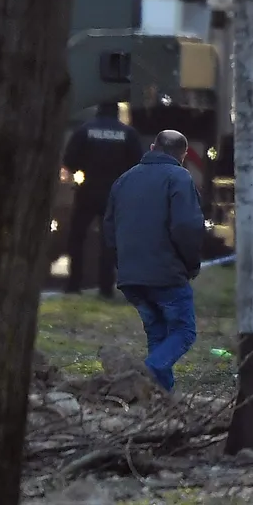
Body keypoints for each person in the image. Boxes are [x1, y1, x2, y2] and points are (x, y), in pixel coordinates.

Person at [103, 129, 205, 393]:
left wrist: (122, 264)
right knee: (184, 331)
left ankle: (161, 399)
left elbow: (109, 229)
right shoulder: (179, 177)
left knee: (158, 335)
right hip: (166, 274)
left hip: (132, 277)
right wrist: (191, 264)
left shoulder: (123, 180)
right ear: (183, 156)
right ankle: (143, 374)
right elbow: (187, 227)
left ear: (152, 147)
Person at [62, 102, 144, 297]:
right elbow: (138, 165)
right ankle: (106, 288)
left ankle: (74, 284)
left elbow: (70, 161)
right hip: (114, 193)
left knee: (77, 237)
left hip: (87, 190)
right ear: (116, 112)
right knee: (108, 241)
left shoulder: (85, 130)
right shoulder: (128, 134)